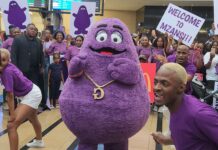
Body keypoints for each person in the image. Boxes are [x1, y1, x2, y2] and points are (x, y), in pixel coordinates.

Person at [151, 63, 218, 150]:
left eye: (165, 83)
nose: (156, 88)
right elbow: (190, 135)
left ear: (181, 87)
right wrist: (166, 140)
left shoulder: (200, 115)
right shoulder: (174, 105)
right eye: (155, 82)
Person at [0, 48, 44, 150]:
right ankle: (39, 141)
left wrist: (12, 114)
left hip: (31, 95)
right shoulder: (8, 66)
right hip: (31, 91)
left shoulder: (7, 72)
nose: (1, 62)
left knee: (11, 126)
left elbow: (10, 95)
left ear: (8, 60)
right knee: (33, 118)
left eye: (3, 60)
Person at [11, 23, 47, 110]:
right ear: (26, 30)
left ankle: (31, 107)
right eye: (31, 29)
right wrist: (15, 69)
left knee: (33, 89)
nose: (33, 31)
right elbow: (14, 55)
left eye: (35, 29)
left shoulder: (38, 41)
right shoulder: (18, 39)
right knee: (21, 89)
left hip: (34, 70)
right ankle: (19, 108)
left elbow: (42, 55)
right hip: (21, 70)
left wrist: (42, 66)